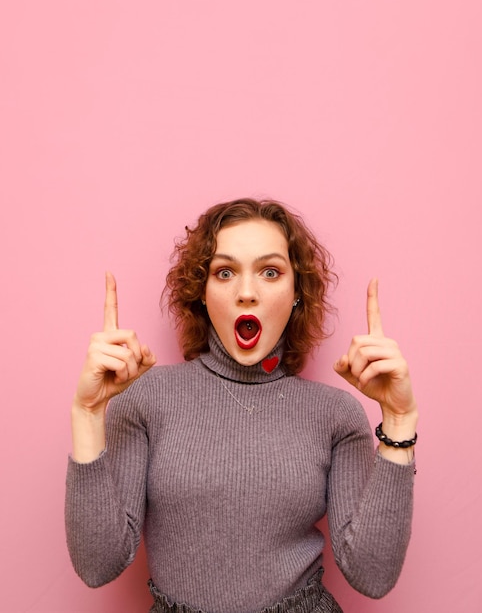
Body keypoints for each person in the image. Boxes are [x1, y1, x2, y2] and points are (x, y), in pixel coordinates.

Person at [65, 198, 418, 613]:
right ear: (201, 293)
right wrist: (88, 414)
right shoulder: (146, 399)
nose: (246, 293)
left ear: (296, 294)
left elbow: (372, 575)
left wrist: (398, 419)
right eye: (225, 272)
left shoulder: (336, 415)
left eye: (270, 272)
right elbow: (96, 565)